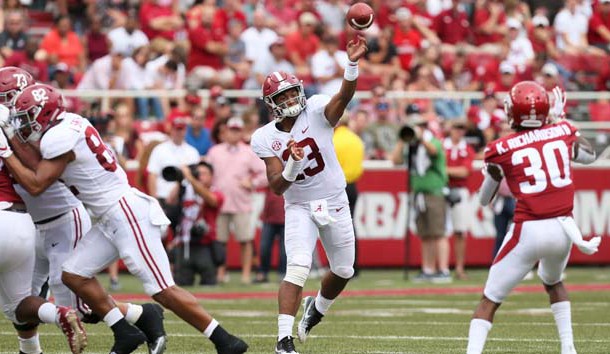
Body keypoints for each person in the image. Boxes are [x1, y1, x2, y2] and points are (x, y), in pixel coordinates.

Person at [0, 83, 248, 354]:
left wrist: (6, 147)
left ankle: (225, 341)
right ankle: (124, 330)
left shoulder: (57, 137)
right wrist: (12, 137)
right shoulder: (69, 122)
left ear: (45, 113)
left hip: (126, 213)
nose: (24, 124)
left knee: (163, 290)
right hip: (109, 215)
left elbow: (36, 182)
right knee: (73, 274)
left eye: (28, 117)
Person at [0, 66, 166, 354]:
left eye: (3, 98)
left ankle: (139, 318)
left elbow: (35, 169)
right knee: (23, 305)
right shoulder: (18, 123)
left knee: (78, 309)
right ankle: (30, 350)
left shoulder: (37, 125)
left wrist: (8, 140)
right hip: (31, 224)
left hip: (62, 219)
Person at [250, 34, 368, 354]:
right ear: (271, 104)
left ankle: (315, 309)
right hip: (299, 204)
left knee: (344, 270)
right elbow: (276, 186)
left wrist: (352, 64)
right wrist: (291, 164)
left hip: (334, 199)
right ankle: (283, 340)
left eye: (291, 92)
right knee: (298, 265)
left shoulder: (315, 109)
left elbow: (342, 98)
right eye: (282, 96)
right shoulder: (263, 138)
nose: (289, 99)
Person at [467, 82, 601, 354]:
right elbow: (589, 156)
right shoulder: (561, 131)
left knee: (489, 300)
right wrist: (561, 121)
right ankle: (568, 348)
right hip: (564, 229)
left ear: (512, 112)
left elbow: (484, 199)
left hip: (528, 230)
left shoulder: (500, 148)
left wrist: (491, 175)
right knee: (553, 282)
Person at [206, 117, 266, 284]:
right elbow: (206, 173)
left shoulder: (249, 152)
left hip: (241, 201)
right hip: (219, 203)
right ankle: (220, 273)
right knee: (220, 240)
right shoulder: (215, 151)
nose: (234, 133)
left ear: (241, 132)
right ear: (225, 131)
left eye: (237, 130)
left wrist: (252, 183)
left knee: (245, 239)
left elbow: (265, 173)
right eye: (231, 130)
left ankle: (246, 274)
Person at [390, 116, 451, 283]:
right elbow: (395, 160)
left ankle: (444, 269)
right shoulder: (412, 146)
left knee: (438, 232)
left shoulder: (434, 140)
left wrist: (421, 138)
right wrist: (403, 140)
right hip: (419, 194)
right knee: (425, 234)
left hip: (435, 191)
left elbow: (433, 151)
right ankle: (428, 269)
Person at [168, 162, 224, 286]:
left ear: (211, 176)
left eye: (204, 174)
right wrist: (180, 179)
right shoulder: (185, 191)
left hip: (205, 244)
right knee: (182, 282)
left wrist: (191, 179)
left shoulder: (216, 192)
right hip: (184, 244)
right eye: (199, 173)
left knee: (209, 283)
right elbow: (170, 201)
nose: (201, 176)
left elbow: (212, 200)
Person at [333, 111, 365, 277]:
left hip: (337, 187)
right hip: (352, 186)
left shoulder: (333, 140)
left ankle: (340, 265)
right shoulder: (356, 140)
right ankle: (353, 265)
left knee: (334, 228)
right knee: (349, 226)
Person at [443, 120, 475, 280]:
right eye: (457, 127)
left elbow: (464, 171)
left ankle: (459, 267)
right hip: (442, 189)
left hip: (459, 190)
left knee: (460, 231)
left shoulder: (466, 149)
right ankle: (440, 267)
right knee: (439, 232)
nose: (459, 132)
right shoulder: (443, 145)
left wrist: (443, 171)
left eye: (462, 129)